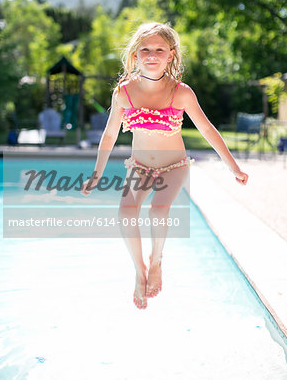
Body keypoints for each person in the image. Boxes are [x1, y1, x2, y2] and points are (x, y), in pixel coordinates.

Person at [81, 22, 248, 310]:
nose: (152, 54)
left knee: (159, 209)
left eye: (159, 49)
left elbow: (207, 130)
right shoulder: (124, 92)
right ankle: (139, 268)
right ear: (135, 54)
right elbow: (109, 135)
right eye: (145, 48)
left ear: (170, 55)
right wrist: (96, 174)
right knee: (125, 213)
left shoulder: (181, 92)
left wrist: (233, 167)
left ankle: (156, 260)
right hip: (140, 167)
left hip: (174, 165)